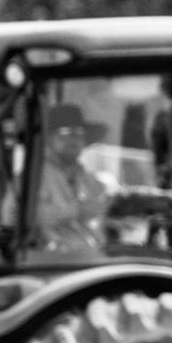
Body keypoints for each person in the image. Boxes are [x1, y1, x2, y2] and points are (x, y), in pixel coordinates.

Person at [25, 102, 111, 253]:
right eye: (67, 133)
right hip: (49, 265)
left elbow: (100, 214)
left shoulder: (89, 180)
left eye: (79, 134)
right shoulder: (32, 178)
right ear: (50, 138)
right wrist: (78, 210)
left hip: (90, 261)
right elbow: (28, 219)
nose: (74, 140)